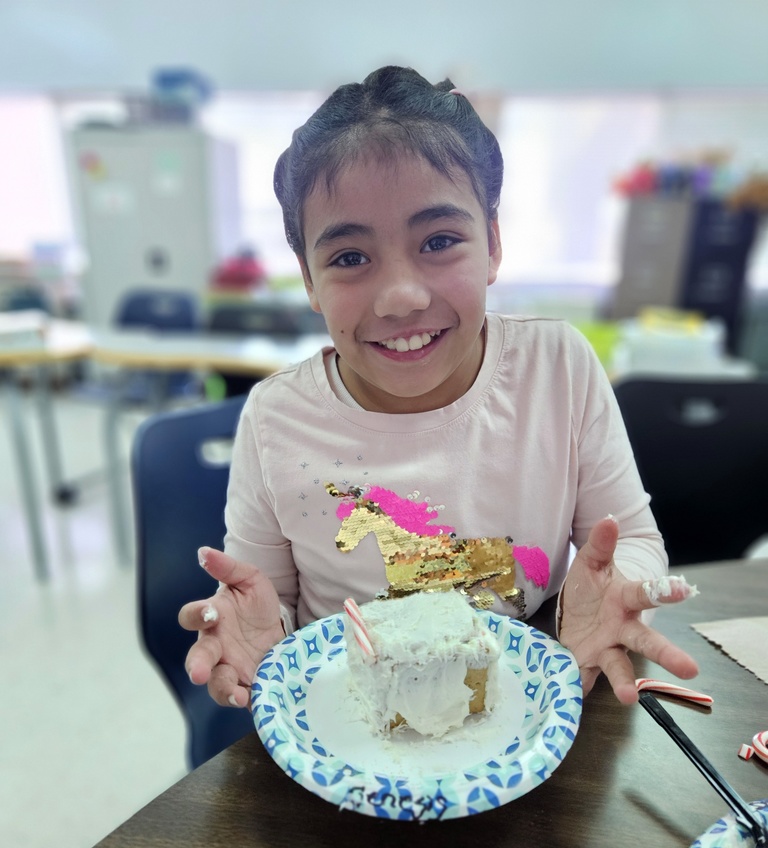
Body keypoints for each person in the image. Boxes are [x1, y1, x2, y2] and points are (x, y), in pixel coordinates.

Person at [179, 65, 699, 713]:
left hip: (525, 702)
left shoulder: (558, 365)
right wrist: (259, 629)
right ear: (309, 281)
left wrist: (621, 588)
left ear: (493, 245)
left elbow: (635, 540)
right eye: (348, 257)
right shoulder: (276, 416)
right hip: (355, 713)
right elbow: (268, 598)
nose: (401, 296)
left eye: (440, 241)